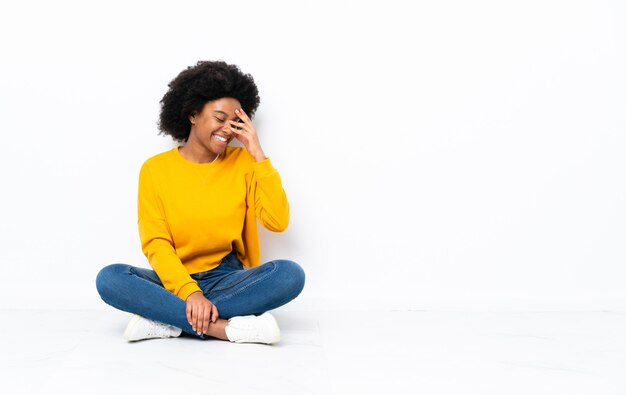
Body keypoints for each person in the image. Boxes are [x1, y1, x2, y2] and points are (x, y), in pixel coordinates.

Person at [95, 60, 305, 344]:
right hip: (173, 279)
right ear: (193, 114)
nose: (227, 130)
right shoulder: (155, 170)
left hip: (225, 278)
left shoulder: (244, 163)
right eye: (219, 118)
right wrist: (189, 292)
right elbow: (155, 243)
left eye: (235, 122)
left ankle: (168, 320)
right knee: (110, 278)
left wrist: (257, 153)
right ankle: (223, 329)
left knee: (289, 275)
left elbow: (277, 222)